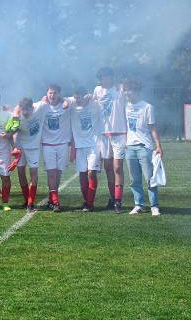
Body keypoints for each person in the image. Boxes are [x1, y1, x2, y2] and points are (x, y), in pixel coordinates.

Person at [124, 80, 163, 216]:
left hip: (144, 147)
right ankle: (139, 205)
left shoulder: (147, 107)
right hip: (129, 148)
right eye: (125, 90)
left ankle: (154, 206)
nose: (126, 93)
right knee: (134, 180)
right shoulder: (126, 105)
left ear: (136, 91)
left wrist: (158, 146)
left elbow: (153, 128)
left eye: (129, 90)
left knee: (150, 178)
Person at [93, 67, 127, 213]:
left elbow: (133, 89)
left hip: (119, 133)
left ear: (111, 77)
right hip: (104, 134)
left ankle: (118, 201)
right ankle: (112, 198)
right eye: (101, 78)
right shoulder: (97, 90)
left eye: (105, 77)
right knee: (108, 167)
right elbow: (89, 102)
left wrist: (123, 84)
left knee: (117, 167)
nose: (103, 80)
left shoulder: (120, 89)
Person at [69, 87, 102, 212]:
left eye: (79, 97)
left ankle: (90, 202)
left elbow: (105, 99)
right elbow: (60, 100)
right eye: (75, 97)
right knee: (82, 174)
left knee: (91, 173)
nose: (76, 100)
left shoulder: (95, 105)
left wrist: (93, 95)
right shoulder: (72, 106)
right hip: (79, 146)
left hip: (94, 145)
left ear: (85, 96)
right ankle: (86, 201)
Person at [40, 84, 71, 212]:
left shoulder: (65, 104)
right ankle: (56, 202)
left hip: (62, 144)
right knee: (51, 172)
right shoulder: (42, 106)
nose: (52, 95)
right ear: (46, 94)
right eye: (50, 93)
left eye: (55, 93)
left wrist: (65, 101)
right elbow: (26, 106)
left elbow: (77, 99)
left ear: (59, 94)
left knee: (58, 173)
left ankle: (51, 199)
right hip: (48, 144)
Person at [13, 97, 44, 211]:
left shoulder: (39, 107)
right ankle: (27, 199)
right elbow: (11, 130)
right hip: (20, 146)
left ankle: (31, 202)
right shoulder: (17, 116)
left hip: (34, 147)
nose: (25, 112)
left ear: (32, 107)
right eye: (23, 110)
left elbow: (46, 99)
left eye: (27, 110)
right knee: (20, 172)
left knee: (33, 173)